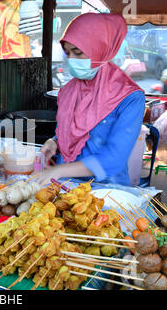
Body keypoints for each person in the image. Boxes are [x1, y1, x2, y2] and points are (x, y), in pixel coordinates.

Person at [36, 13, 145, 186]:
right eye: (68, 53)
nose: (72, 59)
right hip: (63, 186)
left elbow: (114, 158)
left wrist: (59, 170)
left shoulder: (129, 97)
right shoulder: (68, 91)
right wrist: (54, 141)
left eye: (78, 53)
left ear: (100, 48)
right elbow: (68, 131)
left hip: (106, 192)